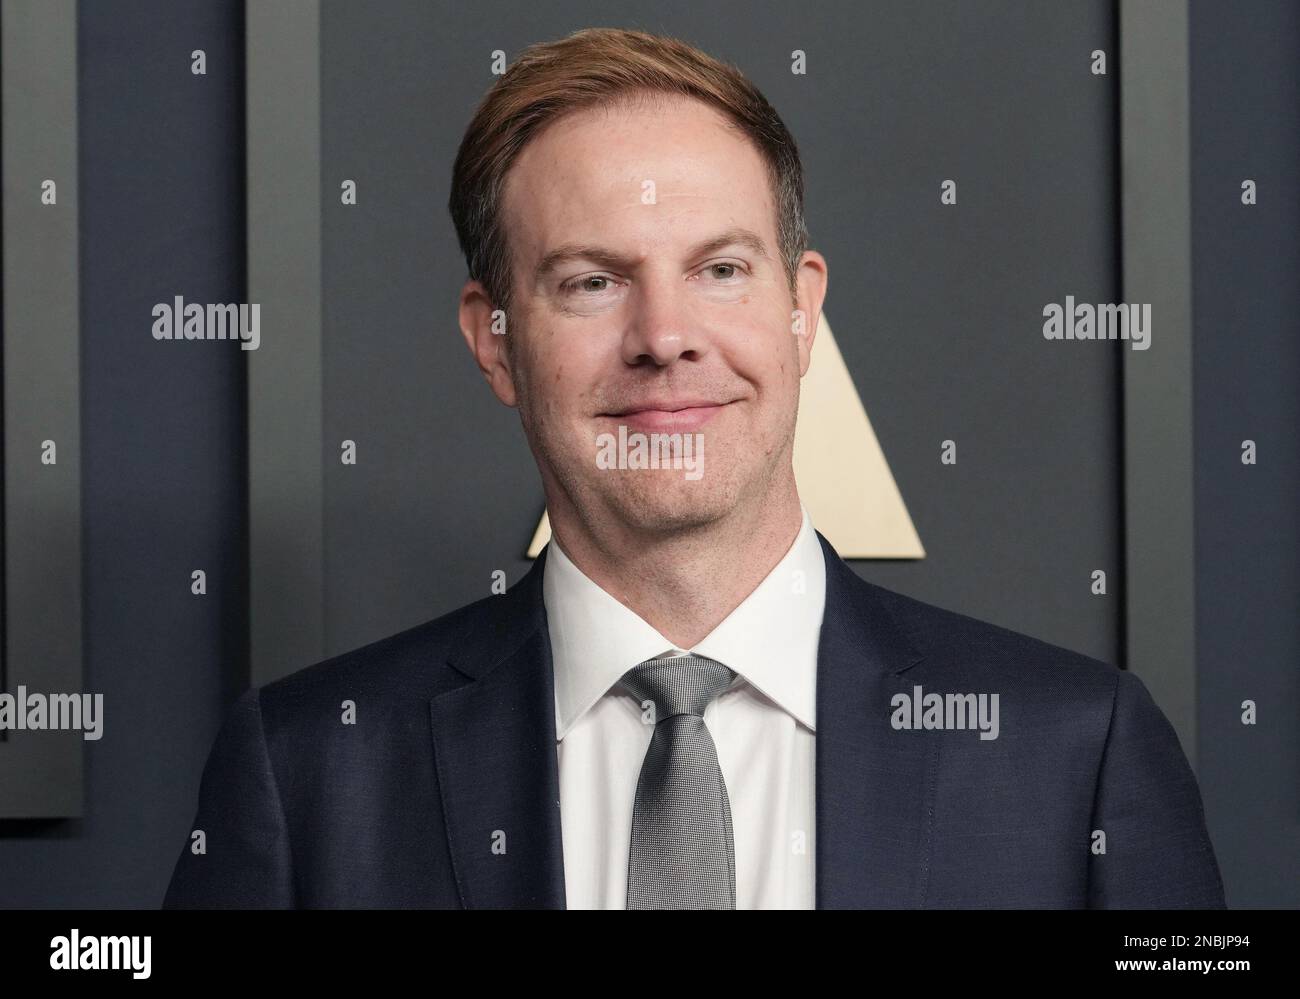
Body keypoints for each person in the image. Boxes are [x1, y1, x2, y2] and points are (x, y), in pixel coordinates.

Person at [163, 27, 1225, 909]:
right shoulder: (308, 774)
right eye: (589, 282)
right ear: (494, 340)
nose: (664, 336)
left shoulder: (1075, 751)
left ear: (800, 308)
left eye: (719, 269)